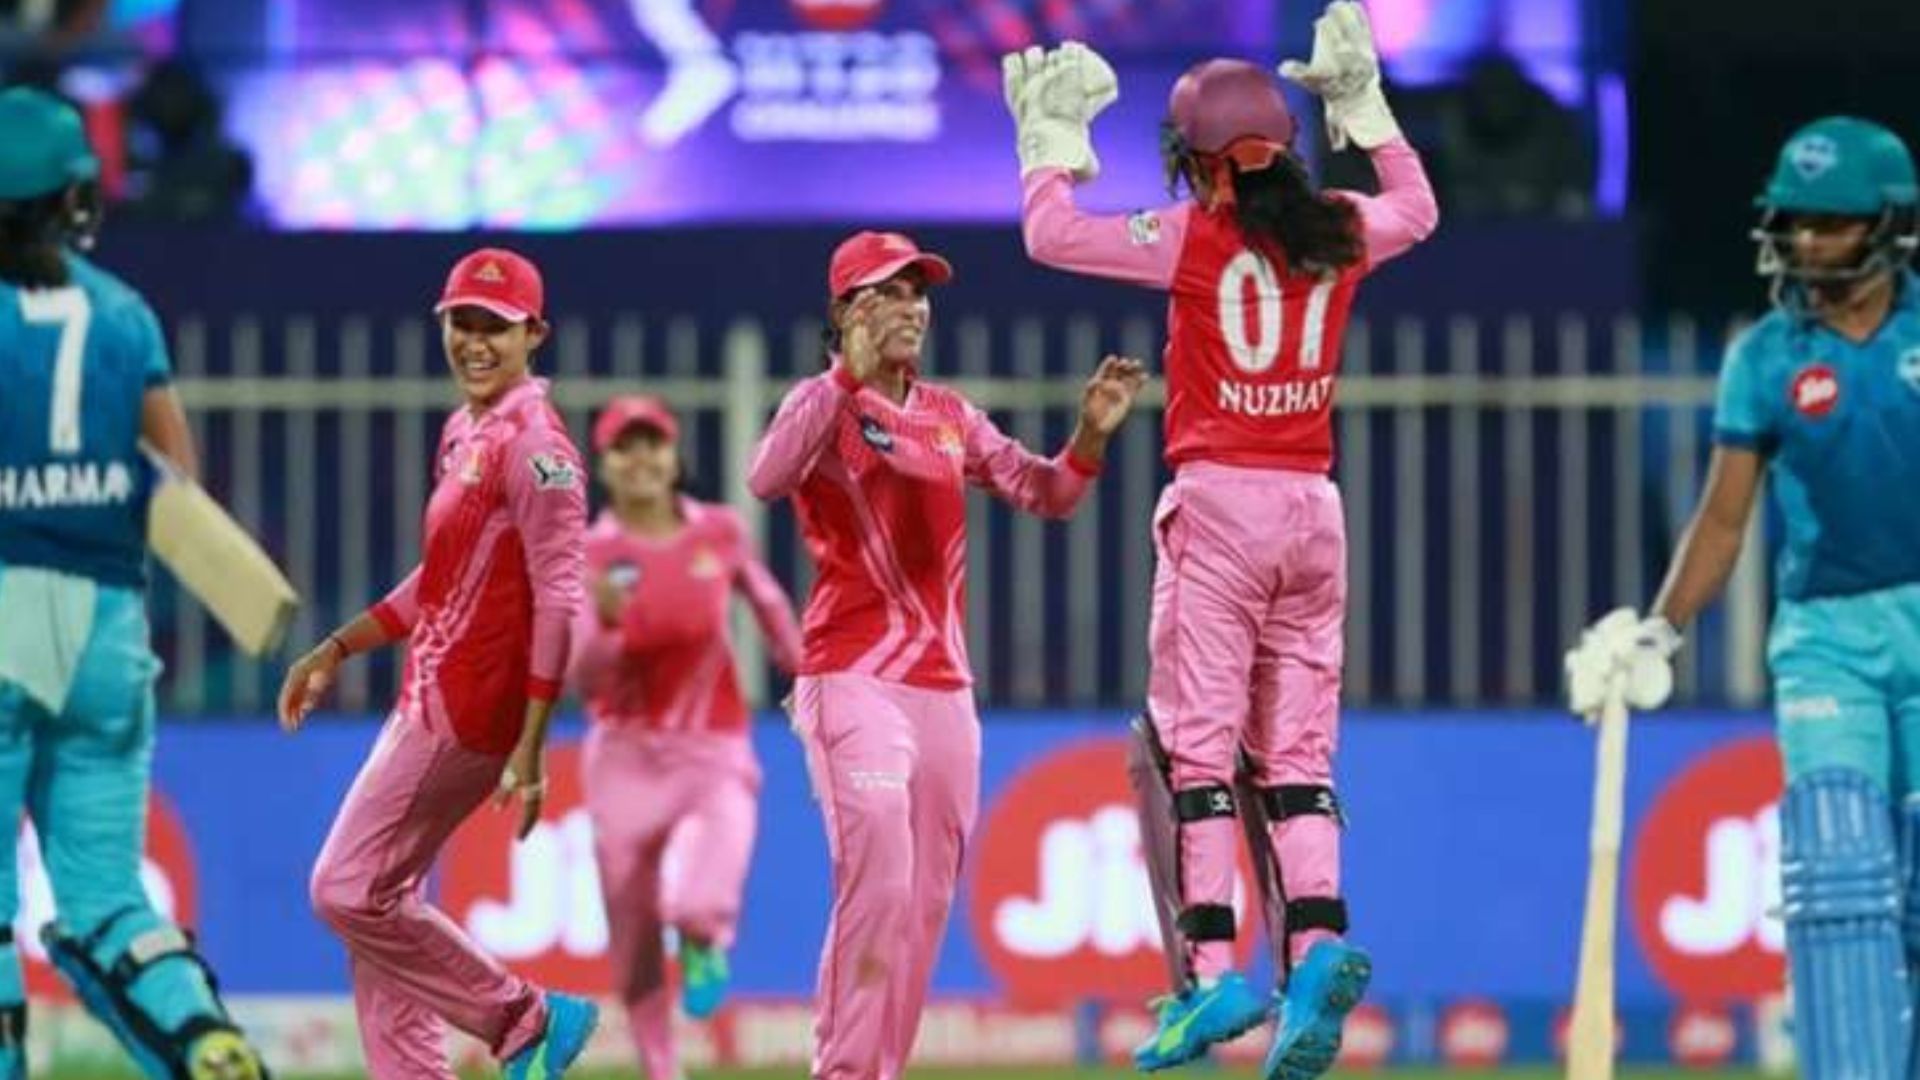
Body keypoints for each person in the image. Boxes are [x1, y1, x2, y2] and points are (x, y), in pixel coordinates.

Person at [1001, 3, 1439, 1074]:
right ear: (1286, 147)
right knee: (1297, 757)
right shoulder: (1341, 228)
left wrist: (1051, 143)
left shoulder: (1190, 236)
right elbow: (1418, 211)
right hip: (1315, 512)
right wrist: (1366, 106)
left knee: (1195, 749)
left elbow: (1049, 236)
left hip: (1221, 506)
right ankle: (1318, 948)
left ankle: (1208, 976)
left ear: (1195, 161)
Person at [1565, 116, 1920, 1080]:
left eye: (1831, 223)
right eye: (1795, 221)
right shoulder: (1765, 356)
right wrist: (1659, 632)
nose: (1807, 241)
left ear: (1889, 225)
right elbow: (1723, 519)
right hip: (1825, 641)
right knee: (1837, 865)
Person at [747, 229, 1146, 1080]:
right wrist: (844, 377)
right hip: (852, 676)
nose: (911, 309)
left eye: (917, 293)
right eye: (887, 293)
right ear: (845, 312)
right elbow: (766, 477)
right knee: (880, 876)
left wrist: (1089, 438)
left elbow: (1046, 493)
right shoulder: (822, 402)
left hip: (944, 692)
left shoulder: (950, 416)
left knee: (924, 905)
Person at [275, 247, 599, 1080]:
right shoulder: (466, 430)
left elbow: (562, 601)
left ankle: (525, 1018)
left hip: (469, 708)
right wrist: (338, 646)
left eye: (497, 327)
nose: (475, 342)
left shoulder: (539, 450)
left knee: (344, 889)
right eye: (463, 323)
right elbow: (441, 579)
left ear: (536, 335)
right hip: (429, 691)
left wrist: (532, 743)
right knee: (380, 903)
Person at [0, 86, 268, 1080]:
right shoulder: (123, 313)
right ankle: (205, 1042)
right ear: (75, 196)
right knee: (109, 900)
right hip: (108, 633)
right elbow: (177, 483)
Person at [569, 393, 803, 1080]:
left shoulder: (718, 533)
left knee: (699, 901)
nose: (641, 459)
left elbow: (768, 602)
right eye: (624, 447)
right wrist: (607, 624)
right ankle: (660, 1067)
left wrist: (807, 676)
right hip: (623, 758)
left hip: (713, 746)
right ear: (605, 467)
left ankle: (703, 938)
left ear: (674, 457)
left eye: (653, 444)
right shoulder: (589, 555)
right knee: (634, 933)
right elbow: (585, 676)